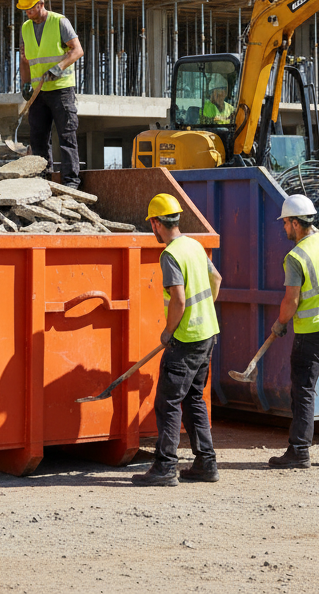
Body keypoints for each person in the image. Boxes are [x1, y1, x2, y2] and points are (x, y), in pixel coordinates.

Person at [133, 193, 222, 486]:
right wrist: (206, 310)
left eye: (152, 224)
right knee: (194, 398)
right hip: (207, 334)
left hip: (185, 339)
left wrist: (169, 331)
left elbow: (179, 300)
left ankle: (165, 467)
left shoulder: (170, 254)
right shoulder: (194, 246)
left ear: (157, 223)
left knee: (168, 403)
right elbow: (217, 279)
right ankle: (206, 464)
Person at [268, 194, 319, 469]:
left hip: (313, 333)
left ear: (295, 223)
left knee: (304, 391)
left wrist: (280, 323)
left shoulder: (295, 257)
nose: (283, 229)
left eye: (285, 224)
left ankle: (299, 451)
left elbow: (291, 301)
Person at [17, 0, 83, 188]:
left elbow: (77, 50)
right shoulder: (25, 28)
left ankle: (71, 181)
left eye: (30, 8)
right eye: (25, 9)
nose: (27, 12)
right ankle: (42, 179)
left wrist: (59, 67)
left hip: (61, 89)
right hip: (39, 93)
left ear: (41, 4)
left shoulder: (59, 22)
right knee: (38, 139)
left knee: (66, 135)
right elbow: (25, 60)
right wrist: (25, 84)